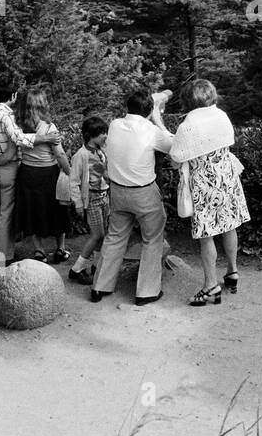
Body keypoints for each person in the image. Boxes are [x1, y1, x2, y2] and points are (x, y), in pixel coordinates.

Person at [170, 80, 251, 307]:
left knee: (207, 235)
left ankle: (210, 287)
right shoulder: (222, 116)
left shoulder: (187, 126)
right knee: (229, 225)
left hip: (204, 183)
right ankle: (232, 272)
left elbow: (176, 158)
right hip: (226, 176)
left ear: (189, 100)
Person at [91, 88, 175, 305]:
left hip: (117, 191)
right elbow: (173, 147)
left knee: (115, 237)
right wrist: (158, 117)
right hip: (144, 192)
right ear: (148, 111)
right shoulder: (151, 129)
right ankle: (146, 292)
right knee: (152, 239)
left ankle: (100, 286)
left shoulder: (115, 125)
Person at [0, 80, 61, 267]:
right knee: (6, 214)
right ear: (13, 96)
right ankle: (1, 257)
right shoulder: (5, 115)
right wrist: (45, 137)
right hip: (7, 169)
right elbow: (19, 139)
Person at [11, 86, 72, 263]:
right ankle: (60, 248)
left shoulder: (19, 126)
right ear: (42, 105)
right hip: (49, 174)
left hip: (28, 173)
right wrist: (70, 172)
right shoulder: (48, 127)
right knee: (57, 210)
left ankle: (39, 250)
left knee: (33, 211)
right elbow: (59, 154)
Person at [65, 115, 111, 285]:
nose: (105, 136)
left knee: (103, 235)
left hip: (104, 197)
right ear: (92, 135)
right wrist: (77, 203)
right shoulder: (81, 155)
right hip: (92, 198)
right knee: (97, 234)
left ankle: (96, 267)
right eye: (102, 133)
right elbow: (74, 181)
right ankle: (76, 269)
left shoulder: (101, 151)